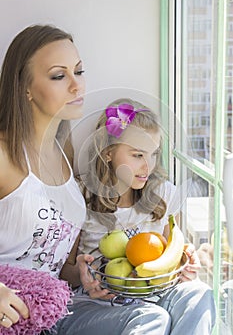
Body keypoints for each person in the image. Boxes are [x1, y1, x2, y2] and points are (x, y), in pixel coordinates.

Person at [0, 25, 180, 335]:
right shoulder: (4, 154)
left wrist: (81, 276)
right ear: (24, 88)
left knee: (152, 319)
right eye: (59, 76)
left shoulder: (63, 151)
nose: (77, 86)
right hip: (13, 316)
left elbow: (56, 264)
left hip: (56, 307)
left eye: (79, 72)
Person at [74, 99, 216, 335]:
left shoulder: (163, 193)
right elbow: (63, 269)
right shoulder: (83, 195)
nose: (147, 166)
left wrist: (186, 262)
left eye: (153, 154)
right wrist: (81, 273)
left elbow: (174, 249)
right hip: (102, 302)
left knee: (200, 294)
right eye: (138, 155)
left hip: (156, 294)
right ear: (109, 153)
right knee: (152, 318)